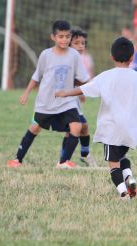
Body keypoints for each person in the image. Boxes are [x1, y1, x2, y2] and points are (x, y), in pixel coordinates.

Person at [55, 37, 137, 199]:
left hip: (111, 129)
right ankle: (129, 176)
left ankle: (123, 193)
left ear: (111, 57)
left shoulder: (106, 76)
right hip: (131, 130)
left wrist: (65, 93)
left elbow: (83, 89)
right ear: (132, 57)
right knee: (122, 157)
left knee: (113, 165)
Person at [8, 20, 90, 169]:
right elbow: (36, 76)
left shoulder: (74, 56)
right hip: (46, 101)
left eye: (67, 36)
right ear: (53, 37)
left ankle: (63, 162)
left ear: (70, 37)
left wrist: (89, 89)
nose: (64, 40)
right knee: (35, 128)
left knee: (76, 127)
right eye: (60, 36)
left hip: (66, 101)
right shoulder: (46, 55)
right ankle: (17, 160)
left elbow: (83, 79)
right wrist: (26, 93)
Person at [59, 28, 98, 167]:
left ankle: (83, 154)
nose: (81, 46)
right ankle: (64, 160)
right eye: (77, 43)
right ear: (69, 44)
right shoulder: (66, 60)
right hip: (64, 101)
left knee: (83, 127)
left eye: (83, 43)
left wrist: (81, 92)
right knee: (74, 128)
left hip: (73, 99)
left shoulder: (78, 60)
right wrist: (80, 90)